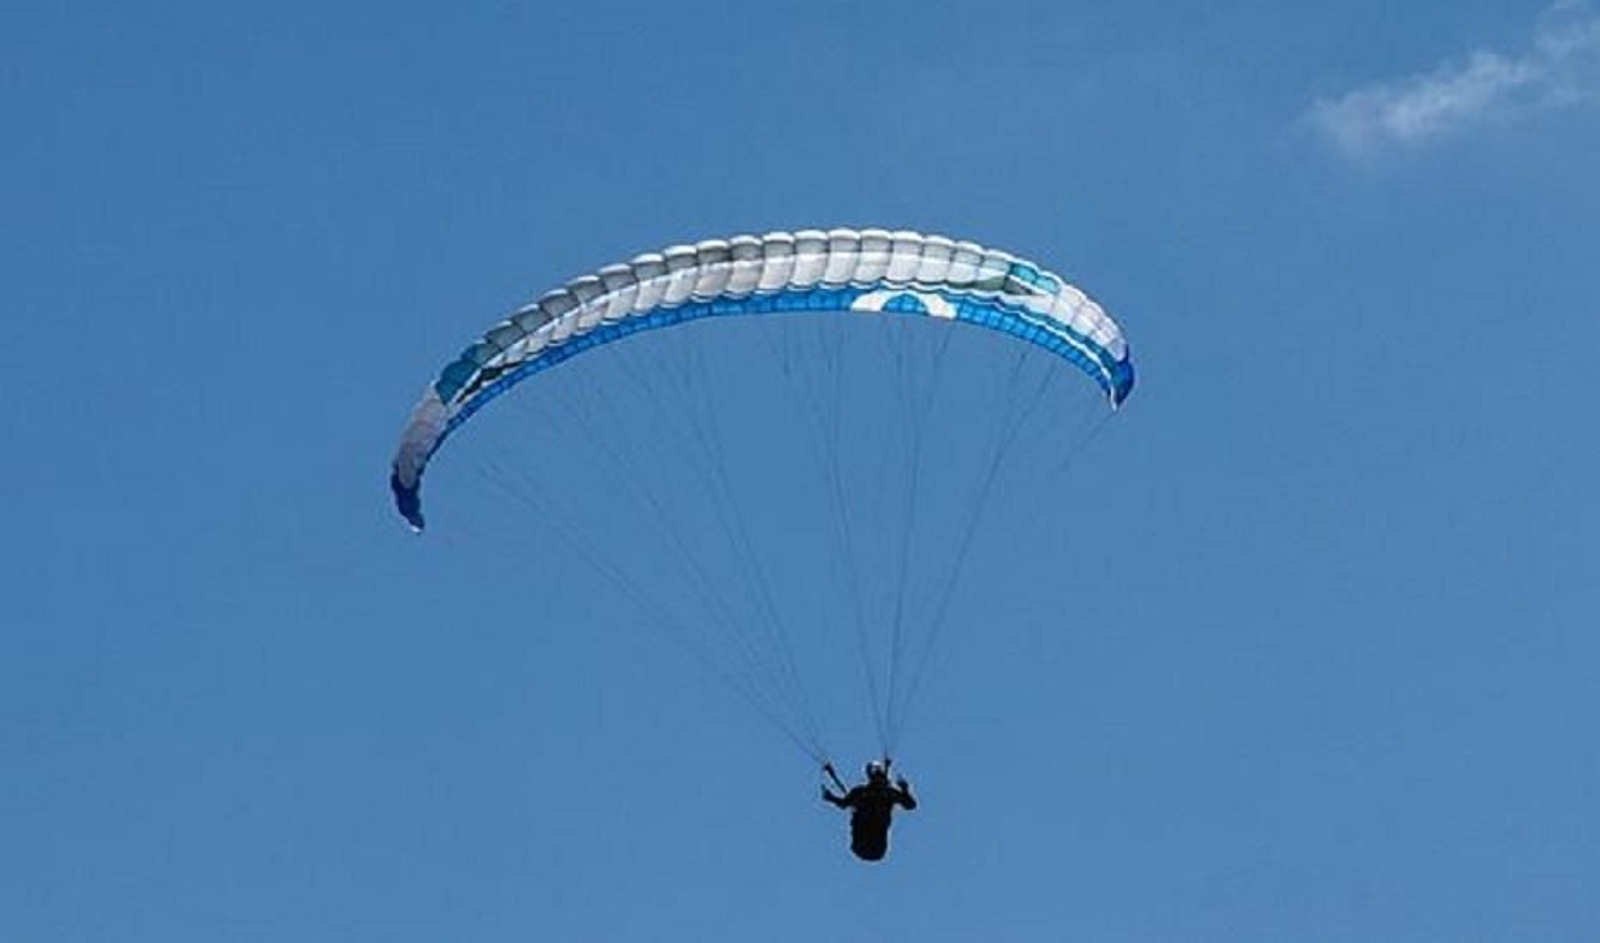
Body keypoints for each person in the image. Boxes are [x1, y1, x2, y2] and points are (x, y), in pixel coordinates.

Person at [821, 760, 917, 861]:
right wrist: (905, 790)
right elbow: (910, 805)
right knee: (870, 815)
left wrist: (831, 798)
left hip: (871, 847)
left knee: (871, 816)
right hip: (869, 847)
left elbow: (844, 803)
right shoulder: (880, 793)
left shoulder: (880, 793)